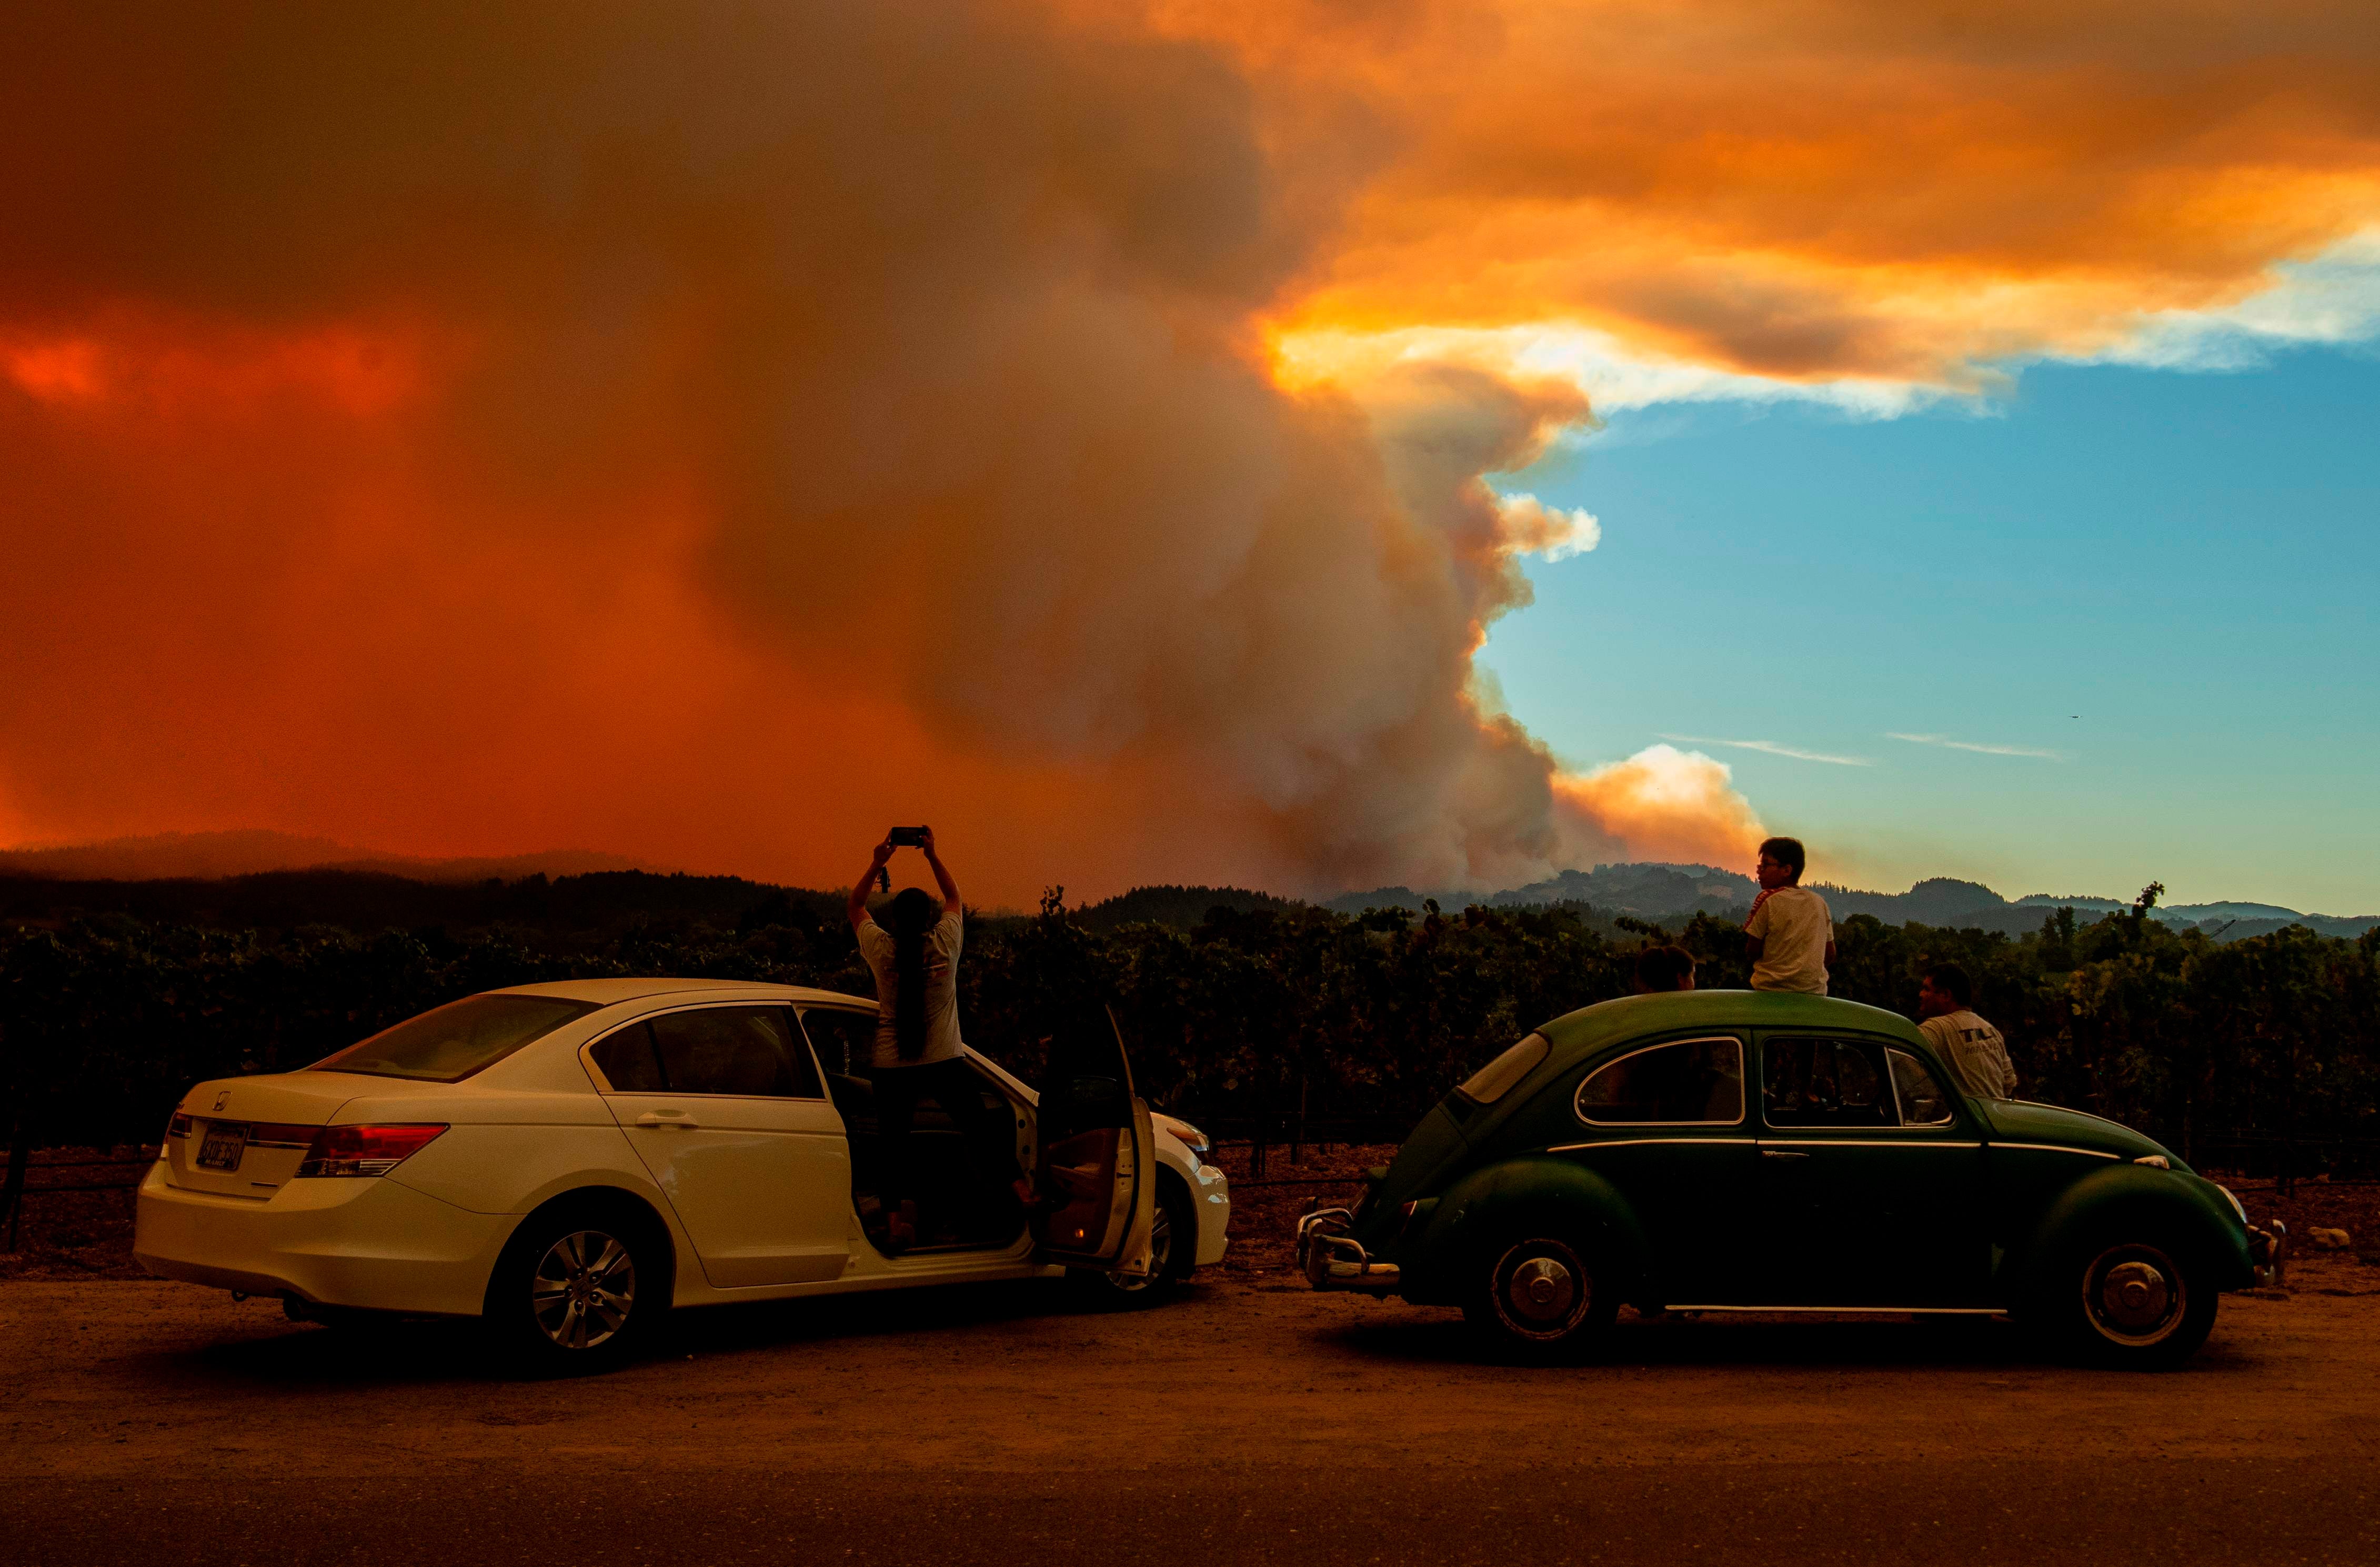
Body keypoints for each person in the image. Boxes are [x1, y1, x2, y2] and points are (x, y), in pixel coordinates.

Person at [846, 827, 1011, 1251]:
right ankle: (1025, 1195)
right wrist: (932, 855)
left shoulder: (881, 950)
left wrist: (878, 861)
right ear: (929, 918)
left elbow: (856, 905)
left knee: (892, 1147)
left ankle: (894, 1221)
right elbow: (956, 898)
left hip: (891, 1066)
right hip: (942, 1061)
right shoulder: (945, 943)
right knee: (979, 1129)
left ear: (895, 920)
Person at [1744, 836, 1836, 994]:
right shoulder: (1819, 903)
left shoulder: (1768, 900)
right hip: (1814, 994)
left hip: (1770, 991)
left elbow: (1752, 951)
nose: (1760, 871)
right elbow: (1830, 954)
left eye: (1765, 865)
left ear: (1787, 870)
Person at [1916, 961, 2019, 1100]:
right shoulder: (1990, 1029)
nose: (1921, 995)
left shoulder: (1935, 1029)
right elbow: (2009, 1083)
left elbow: (1905, 1068)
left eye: (1927, 989)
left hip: (1963, 1120)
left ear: (1946, 995)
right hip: (1996, 1116)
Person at [1633, 943, 1697, 994]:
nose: (1694, 983)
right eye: (1692, 976)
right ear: (1680, 979)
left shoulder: (1628, 1006)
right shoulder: (1696, 1008)